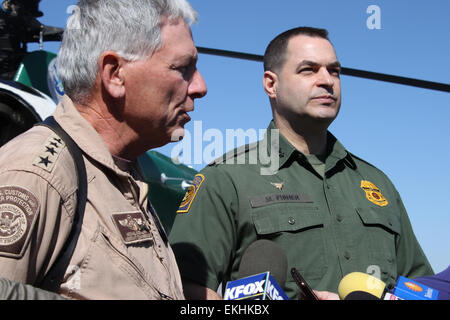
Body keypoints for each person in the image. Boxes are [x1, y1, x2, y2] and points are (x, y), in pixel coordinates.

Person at [168, 26, 433, 300]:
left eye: (335, 71)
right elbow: (185, 289)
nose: (327, 80)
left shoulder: (379, 184)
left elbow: (421, 288)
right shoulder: (226, 179)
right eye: (309, 69)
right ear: (271, 84)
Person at [0, 0, 206, 299]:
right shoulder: (39, 174)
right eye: (182, 68)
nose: (200, 86)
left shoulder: (124, 176)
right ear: (114, 74)